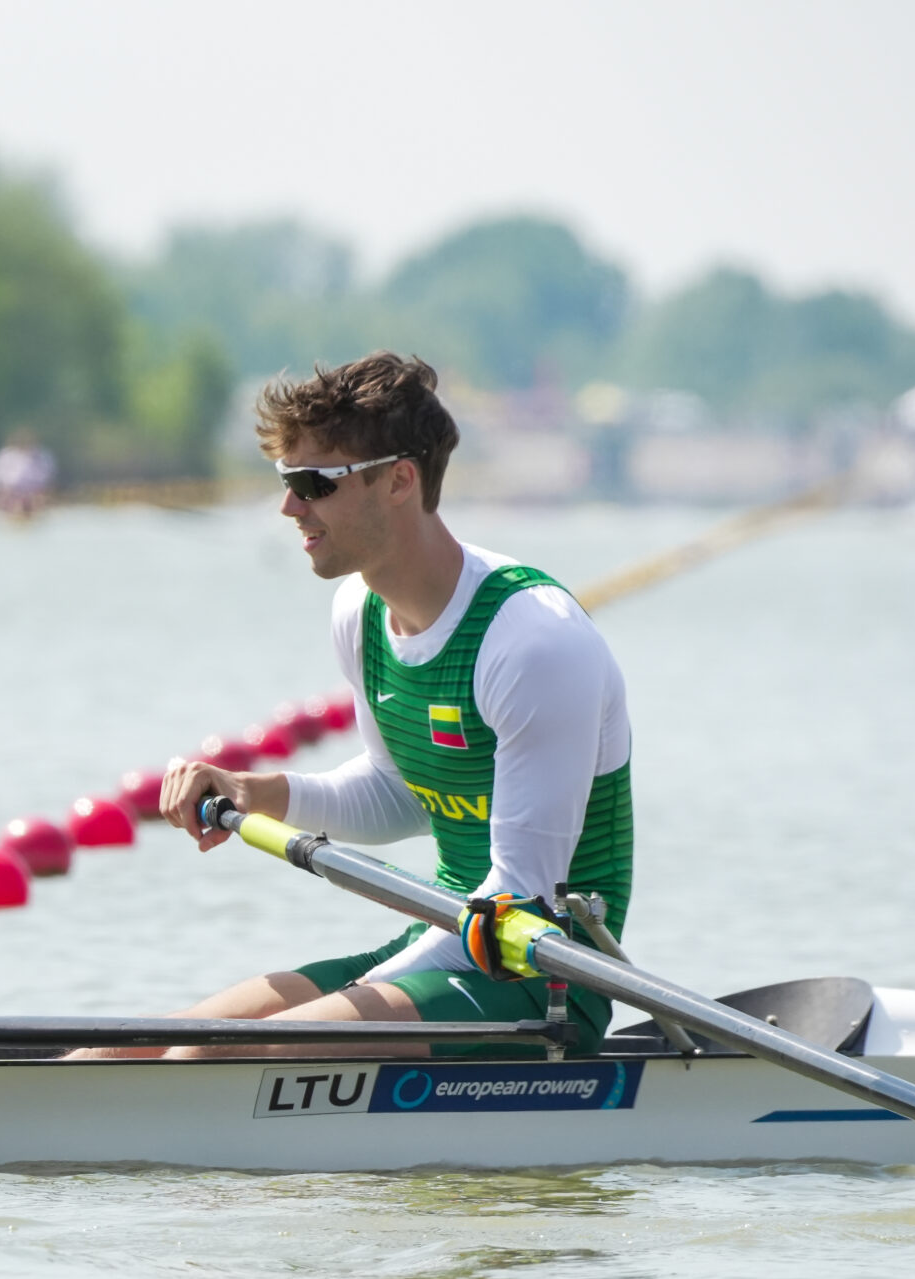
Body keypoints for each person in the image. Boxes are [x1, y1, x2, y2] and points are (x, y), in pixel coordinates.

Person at [147, 351, 633, 1056]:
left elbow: (522, 892)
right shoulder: (360, 612)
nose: (289, 507)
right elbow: (397, 792)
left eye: (313, 483)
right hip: (440, 944)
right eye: (286, 482)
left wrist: (353, 996)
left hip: (540, 979)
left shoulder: (533, 643)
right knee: (148, 1048)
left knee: (216, 1057)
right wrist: (254, 791)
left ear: (399, 480)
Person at [0, 429, 57, 518]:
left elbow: (47, 475)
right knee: (2, 498)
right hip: (10, 491)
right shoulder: (5, 455)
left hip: (35, 491)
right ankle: (10, 512)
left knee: (39, 498)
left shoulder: (42, 456)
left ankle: (32, 513)